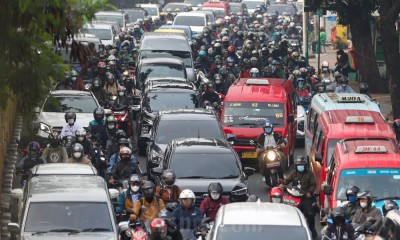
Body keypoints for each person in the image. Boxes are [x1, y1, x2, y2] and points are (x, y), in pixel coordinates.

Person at [280, 155, 317, 238]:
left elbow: (313, 184)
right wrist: (283, 184)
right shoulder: (293, 173)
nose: (300, 166)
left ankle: (312, 229)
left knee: (310, 213)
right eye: (298, 165)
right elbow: (287, 180)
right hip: (294, 196)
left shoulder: (309, 174)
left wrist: (310, 192)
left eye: (302, 165)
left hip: (305, 197)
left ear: (305, 165)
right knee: (287, 211)